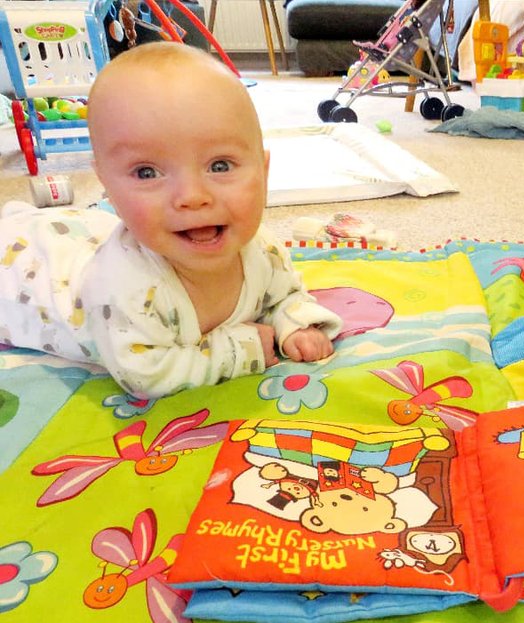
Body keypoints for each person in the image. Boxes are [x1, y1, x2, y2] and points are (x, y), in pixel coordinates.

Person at [0, 42, 342, 398]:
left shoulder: (262, 250)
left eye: (220, 166)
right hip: (20, 268)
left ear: (263, 170)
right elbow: (146, 373)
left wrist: (295, 323)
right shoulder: (122, 288)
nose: (192, 196)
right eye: (147, 172)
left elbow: (284, 295)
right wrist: (243, 349)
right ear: (108, 188)